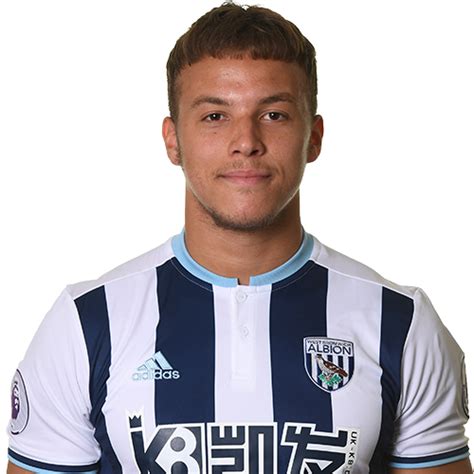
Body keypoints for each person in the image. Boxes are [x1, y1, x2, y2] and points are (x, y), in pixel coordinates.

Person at [6, 3, 471, 473]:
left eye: (274, 114)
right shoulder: (86, 322)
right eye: (215, 116)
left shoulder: (400, 322)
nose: (245, 141)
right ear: (173, 140)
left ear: (313, 137)